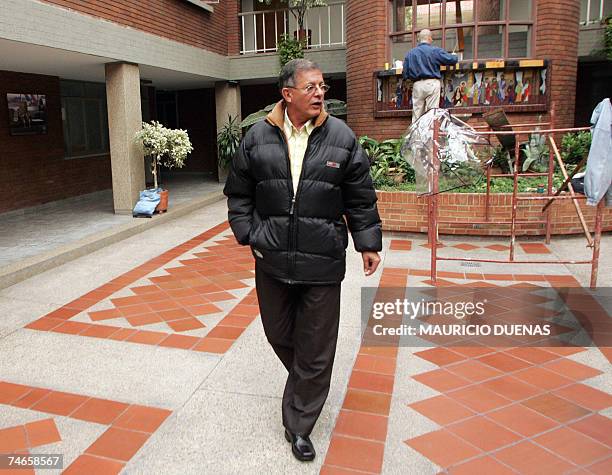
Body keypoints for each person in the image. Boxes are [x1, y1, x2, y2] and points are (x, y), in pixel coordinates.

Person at [223, 59, 382, 462]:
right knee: (279, 334)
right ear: (287, 93)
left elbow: (360, 197)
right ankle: (308, 381)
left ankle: (299, 425)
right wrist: (248, 233)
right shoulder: (256, 137)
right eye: (310, 87)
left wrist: (367, 242)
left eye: (322, 87)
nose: (319, 93)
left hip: (323, 260)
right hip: (272, 257)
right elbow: (238, 192)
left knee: (317, 347)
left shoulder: (341, 137)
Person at [402, 29, 458, 121]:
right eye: (431, 38)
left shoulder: (410, 53)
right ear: (429, 38)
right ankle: (429, 135)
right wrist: (454, 55)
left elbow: (405, 73)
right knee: (431, 114)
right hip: (432, 83)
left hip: (417, 85)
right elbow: (452, 60)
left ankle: (416, 135)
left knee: (417, 115)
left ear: (420, 39)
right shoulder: (435, 51)